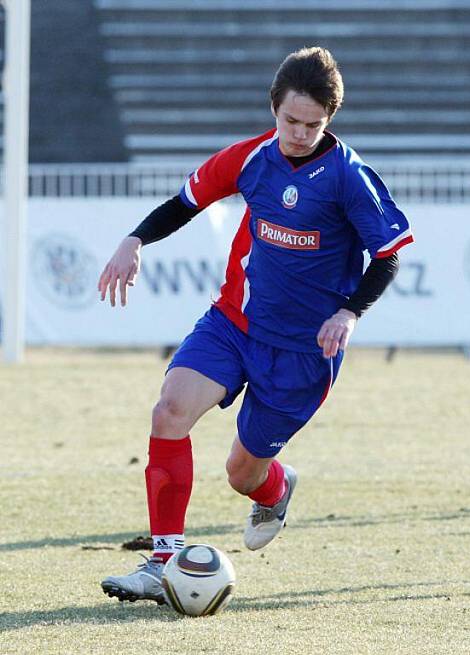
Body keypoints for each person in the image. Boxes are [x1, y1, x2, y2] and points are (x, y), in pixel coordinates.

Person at [98, 47, 413, 604]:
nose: (299, 133)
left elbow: (387, 254)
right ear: (274, 110)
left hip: (302, 351)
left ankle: (276, 486)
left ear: (329, 120)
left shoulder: (349, 178)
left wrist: (349, 312)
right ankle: (163, 559)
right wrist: (134, 239)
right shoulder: (251, 159)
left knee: (242, 473)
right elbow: (185, 201)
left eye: (313, 125)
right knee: (169, 410)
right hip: (235, 322)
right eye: (290, 121)